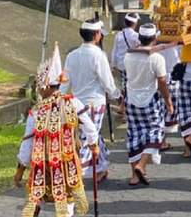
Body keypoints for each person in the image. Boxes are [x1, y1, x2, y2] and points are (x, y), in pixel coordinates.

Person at [16, 43, 98, 217]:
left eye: (39, 85)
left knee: (36, 198)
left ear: (46, 87)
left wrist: (21, 169)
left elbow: (28, 142)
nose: (38, 89)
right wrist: (94, 146)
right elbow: (90, 128)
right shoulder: (72, 103)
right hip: (67, 162)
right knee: (66, 201)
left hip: (42, 163)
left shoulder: (37, 111)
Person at [60, 19, 120, 181]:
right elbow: (107, 82)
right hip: (94, 103)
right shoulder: (98, 55)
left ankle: (100, 168)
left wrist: (59, 99)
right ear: (98, 35)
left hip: (78, 103)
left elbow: (64, 81)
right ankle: (77, 173)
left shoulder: (72, 55)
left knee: (92, 134)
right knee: (88, 137)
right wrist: (117, 96)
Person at [123, 24, 174, 186]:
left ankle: (134, 175)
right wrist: (169, 102)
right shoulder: (157, 58)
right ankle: (141, 164)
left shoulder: (128, 55)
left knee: (134, 135)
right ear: (154, 38)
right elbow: (162, 83)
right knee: (156, 131)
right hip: (149, 99)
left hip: (131, 99)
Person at [111, 12, 139, 96]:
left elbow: (114, 52)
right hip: (132, 65)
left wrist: (113, 66)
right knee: (132, 85)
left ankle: (123, 103)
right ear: (135, 24)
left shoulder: (118, 35)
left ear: (124, 23)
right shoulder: (136, 36)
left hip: (121, 64)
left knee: (123, 85)